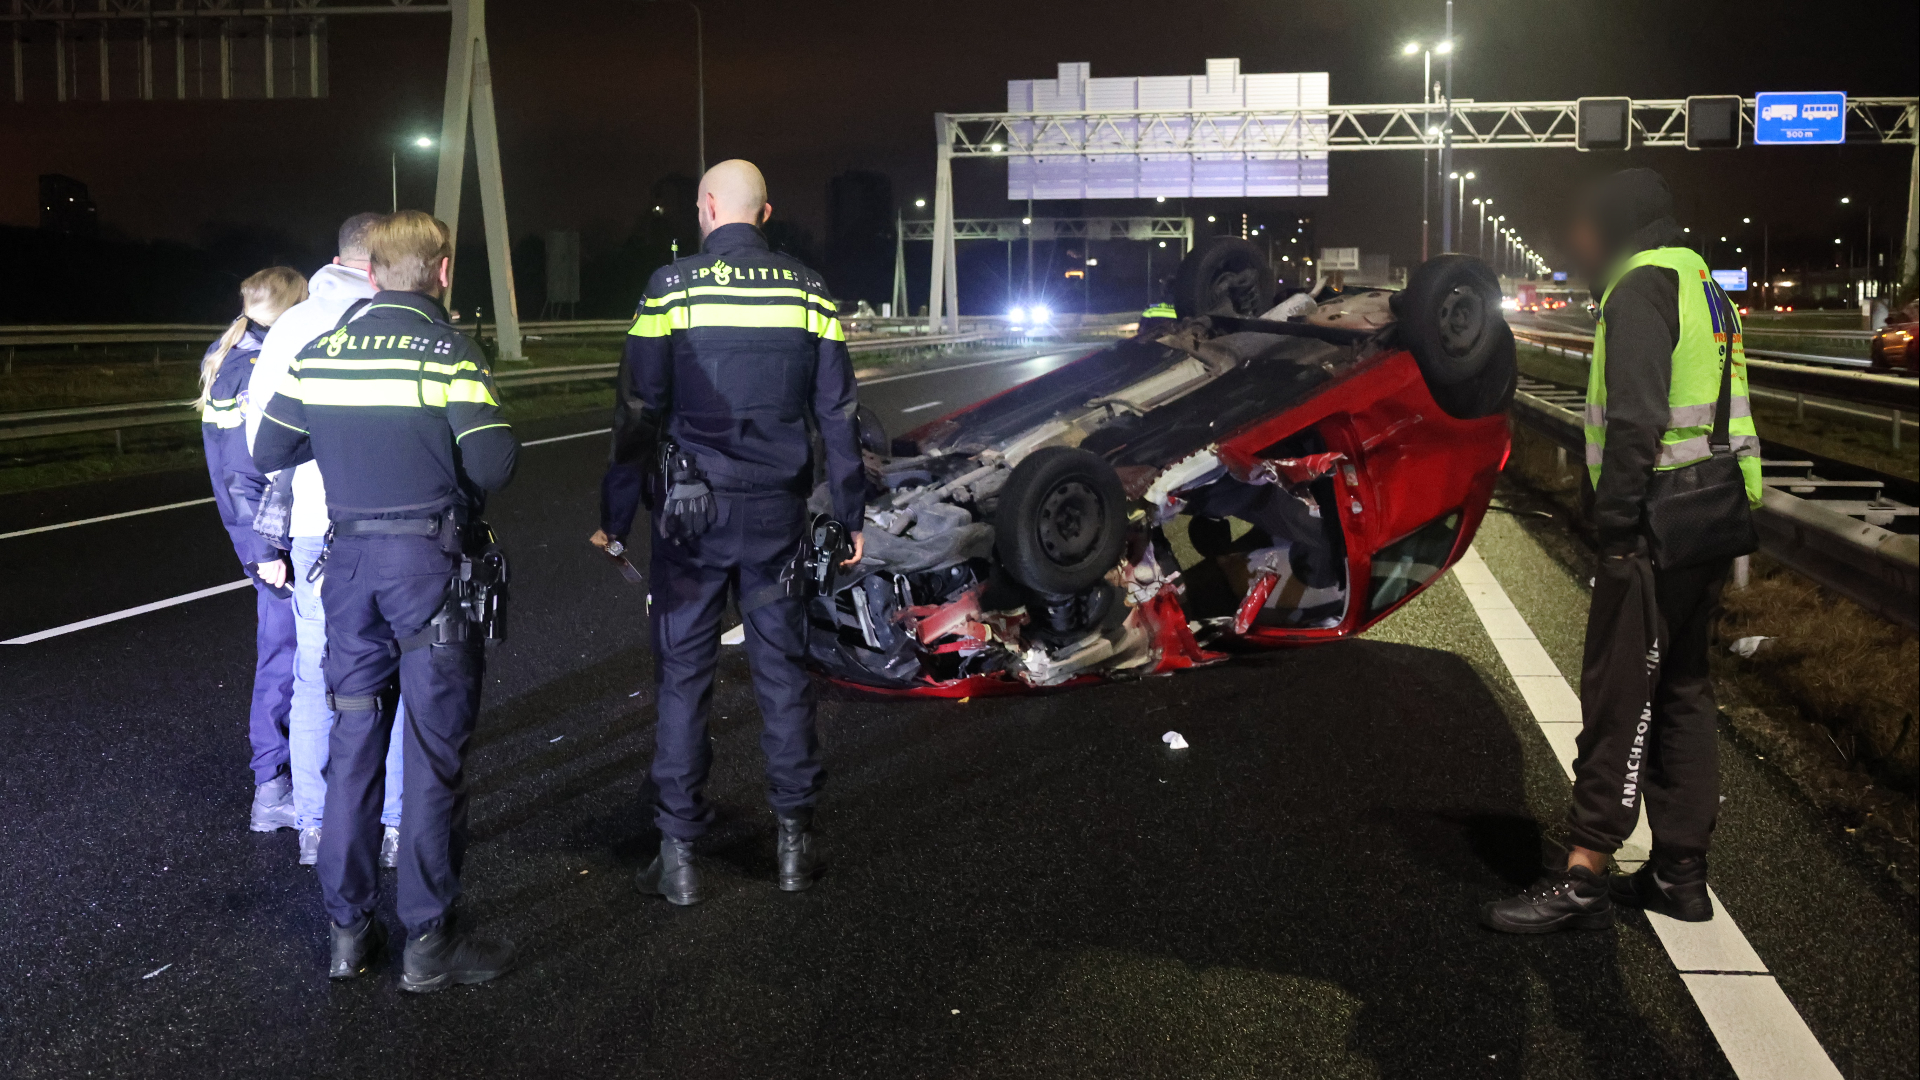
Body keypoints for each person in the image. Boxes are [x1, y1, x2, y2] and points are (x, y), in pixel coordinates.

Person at [1482, 167, 1761, 934]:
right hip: (1712, 516)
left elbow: (1637, 420)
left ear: (1618, 225)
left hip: (1654, 526)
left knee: (1617, 697)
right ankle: (1680, 873)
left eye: (1591, 225)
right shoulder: (1701, 279)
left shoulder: (1639, 286)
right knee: (1683, 691)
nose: (1583, 239)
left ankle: (1582, 872)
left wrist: (1616, 524)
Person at [254, 210, 519, 989]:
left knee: (352, 748)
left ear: (369, 273)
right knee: (434, 758)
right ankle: (428, 945)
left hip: (349, 573)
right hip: (427, 569)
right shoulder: (449, 351)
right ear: (441, 271)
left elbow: (269, 448)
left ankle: (346, 933)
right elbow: (496, 462)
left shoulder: (323, 351)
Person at [591, 159, 865, 906]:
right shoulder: (809, 292)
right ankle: (793, 850)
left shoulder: (669, 289)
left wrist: (616, 515)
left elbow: (638, 410)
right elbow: (838, 412)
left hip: (689, 520)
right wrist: (848, 515)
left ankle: (678, 858)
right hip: (775, 515)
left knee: (683, 678)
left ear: (708, 208)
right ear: (765, 214)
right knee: (783, 674)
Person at [247, 213, 410, 868]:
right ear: (378, 261)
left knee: (315, 672)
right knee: (397, 673)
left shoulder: (291, 325)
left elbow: (264, 442)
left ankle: (314, 823)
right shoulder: (397, 321)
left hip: (314, 527)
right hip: (392, 525)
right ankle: (395, 824)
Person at [199, 266, 309, 834]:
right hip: (271, 535)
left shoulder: (231, 353)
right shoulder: (252, 369)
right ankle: (273, 790)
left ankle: (289, 778)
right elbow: (240, 475)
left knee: (286, 655)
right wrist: (265, 548)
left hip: (263, 532)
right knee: (283, 658)